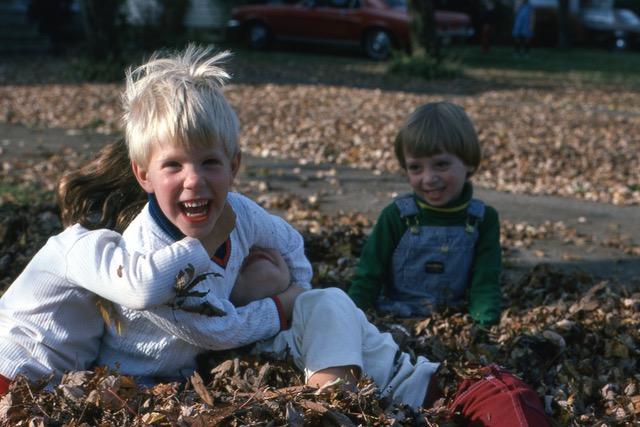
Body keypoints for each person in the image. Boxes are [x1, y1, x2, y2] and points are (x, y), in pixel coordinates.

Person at [232, 245, 551, 426]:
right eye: (229, 255)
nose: (250, 245)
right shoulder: (239, 353)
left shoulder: (318, 303)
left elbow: (335, 399)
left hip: (459, 396)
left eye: (258, 233)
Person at [0, 140, 222, 396]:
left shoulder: (109, 268)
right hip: (10, 374)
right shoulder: (81, 245)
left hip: (32, 389)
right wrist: (207, 242)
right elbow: (143, 288)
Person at [348, 101, 502, 326]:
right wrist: (349, 316)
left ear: (468, 162)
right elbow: (368, 276)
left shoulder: (483, 220)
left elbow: (485, 282)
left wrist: (484, 326)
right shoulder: (397, 216)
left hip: (453, 321)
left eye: (441, 164)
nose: (428, 178)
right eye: (415, 168)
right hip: (394, 318)